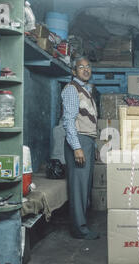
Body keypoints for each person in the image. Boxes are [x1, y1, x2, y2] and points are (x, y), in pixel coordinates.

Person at [62, 56, 99, 240]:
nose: (85, 70)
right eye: (81, 67)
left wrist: (94, 144)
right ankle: (79, 229)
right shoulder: (71, 89)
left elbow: (88, 121)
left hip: (87, 141)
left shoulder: (86, 90)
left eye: (88, 66)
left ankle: (82, 225)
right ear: (74, 71)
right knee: (78, 187)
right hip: (79, 141)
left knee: (85, 186)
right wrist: (77, 147)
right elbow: (68, 121)